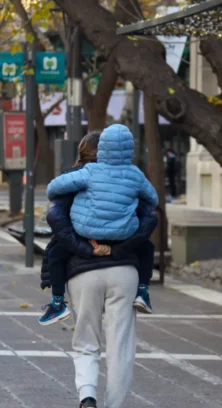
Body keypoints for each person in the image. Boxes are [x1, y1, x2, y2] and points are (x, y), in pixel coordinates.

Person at [43, 130, 158, 408]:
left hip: (83, 270)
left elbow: (54, 208)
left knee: (86, 343)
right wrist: (119, 250)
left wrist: (85, 247)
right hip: (125, 271)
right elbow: (151, 213)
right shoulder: (134, 177)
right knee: (121, 347)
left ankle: (87, 398)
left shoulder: (81, 176)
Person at [40, 124, 159, 324]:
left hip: (85, 238)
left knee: (55, 254)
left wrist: (86, 248)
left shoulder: (86, 172)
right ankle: (143, 292)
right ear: (131, 148)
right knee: (148, 248)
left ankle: (58, 302)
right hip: (123, 246)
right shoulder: (135, 174)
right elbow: (152, 204)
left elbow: (53, 195)